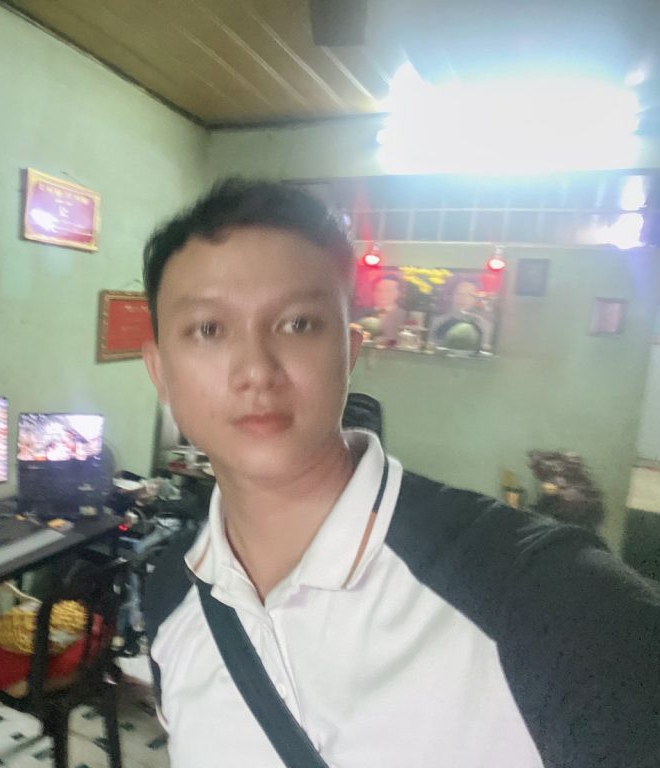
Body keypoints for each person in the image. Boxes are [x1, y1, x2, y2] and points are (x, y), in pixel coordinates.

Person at [138, 178, 660, 768]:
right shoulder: (171, 592)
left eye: (298, 324)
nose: (256, 370)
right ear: (160, 372)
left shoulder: (549, 599)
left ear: (350, 352)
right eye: (208, 329)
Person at [366, 274, 408, 342]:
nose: (383, 294)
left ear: (399, 293)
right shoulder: (361, 313)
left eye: (389, 290)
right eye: (378, 290)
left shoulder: (405, 316)